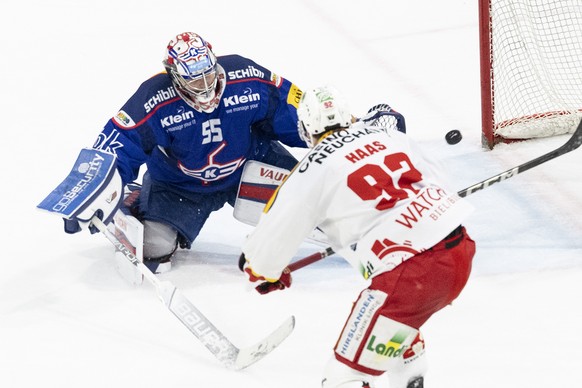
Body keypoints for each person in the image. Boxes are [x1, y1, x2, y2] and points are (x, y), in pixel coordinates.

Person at [239, 85, 476, 388]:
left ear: (306, 128)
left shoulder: (311, 168)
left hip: (414, 270)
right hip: (458, 249)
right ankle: (409, 377)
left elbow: (277, 229)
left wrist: (261, 270)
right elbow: (438, 179)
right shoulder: (390, 136)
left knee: (345, 377)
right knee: (398, 329)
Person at [61, 32, 306, 273]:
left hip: (248, 167)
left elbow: (295, 111)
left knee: (313, 196)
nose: (206, 86)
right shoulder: (154, 97)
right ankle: (133, 199)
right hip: (181, 187)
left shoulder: (246, 76)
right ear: (175, 76)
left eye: (208, 75)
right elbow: (120, 142)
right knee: (154, 250)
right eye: (195, 81)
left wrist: (330, 132)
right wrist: (91, 191)